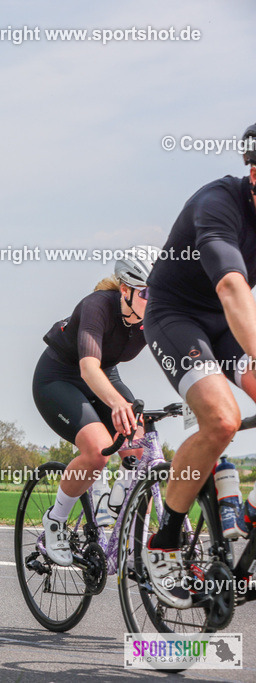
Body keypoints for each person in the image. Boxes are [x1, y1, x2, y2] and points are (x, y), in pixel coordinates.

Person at [141, 123, 256, 608]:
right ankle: (164, 540)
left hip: (227, 324)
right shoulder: (218, 203)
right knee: (223, 419)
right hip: (177, 316)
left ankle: (242, 524)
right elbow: (232, 288)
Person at [32, 249, 155, 566]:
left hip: (105, 375)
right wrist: (116, 403)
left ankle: (123, 528)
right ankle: (55, 521)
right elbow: (88, 368)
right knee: (99, 450)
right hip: (59, 377)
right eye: (146, 292)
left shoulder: (154, 316)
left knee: (141, 448)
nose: (154, 300)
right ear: (125, 289)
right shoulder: (97, 305)